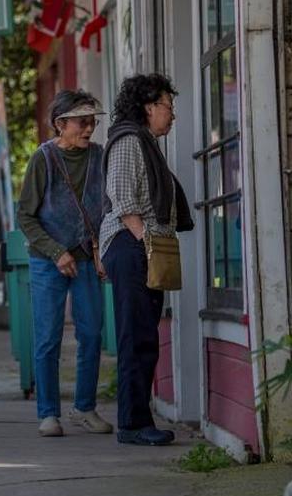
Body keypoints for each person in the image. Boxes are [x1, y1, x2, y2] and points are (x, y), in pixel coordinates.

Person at [100, 73, 194, 446]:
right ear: (149, 107)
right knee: (135, 338)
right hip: (131, 244)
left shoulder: (146, 145)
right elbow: (123, 201)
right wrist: (148, 244)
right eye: (168, 107)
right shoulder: (128, 142)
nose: (172, 115)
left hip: (140, 245)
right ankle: (133, 424)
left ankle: (137, 419)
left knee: (143, 337)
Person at [16, 90, 113, 438]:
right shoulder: (43, 159)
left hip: (87, 257)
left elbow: (105, 208)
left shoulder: (100, 157)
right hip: (47, 260)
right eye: (82, 122)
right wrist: (57, 252)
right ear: (60, 124)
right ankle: (48, 413)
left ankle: (85, 407)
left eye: (92, 122)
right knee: (48, 337)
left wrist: (100, 249)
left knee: (91, 334)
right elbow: (25, 216)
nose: (89, 129)